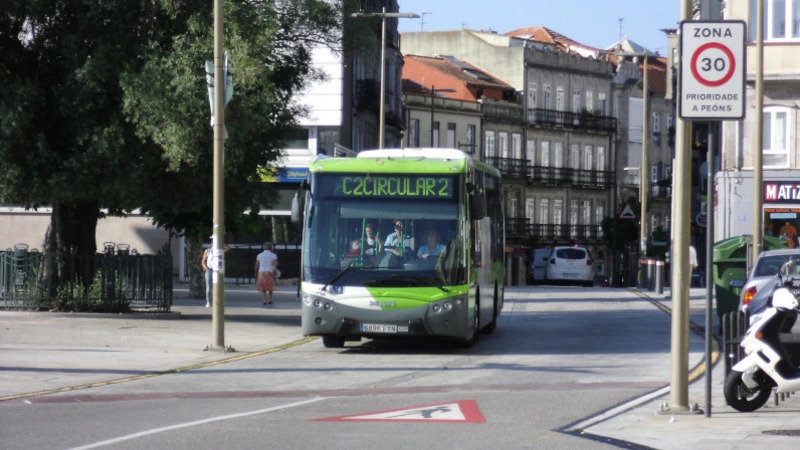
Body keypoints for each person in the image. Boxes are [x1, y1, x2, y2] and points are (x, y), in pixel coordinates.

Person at [201, 241, 230, 308]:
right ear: (211, 244)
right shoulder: (207, 251)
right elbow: (203, 261)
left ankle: (218, 301)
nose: (215, 244)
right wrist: (205, 267)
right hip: (209, 270)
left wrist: (222, 242)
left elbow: (228, 248)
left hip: (217, 271)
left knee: (218, 286)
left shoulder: (220, 250)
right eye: (213, 243)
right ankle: (208, 301)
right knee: (208, 287)